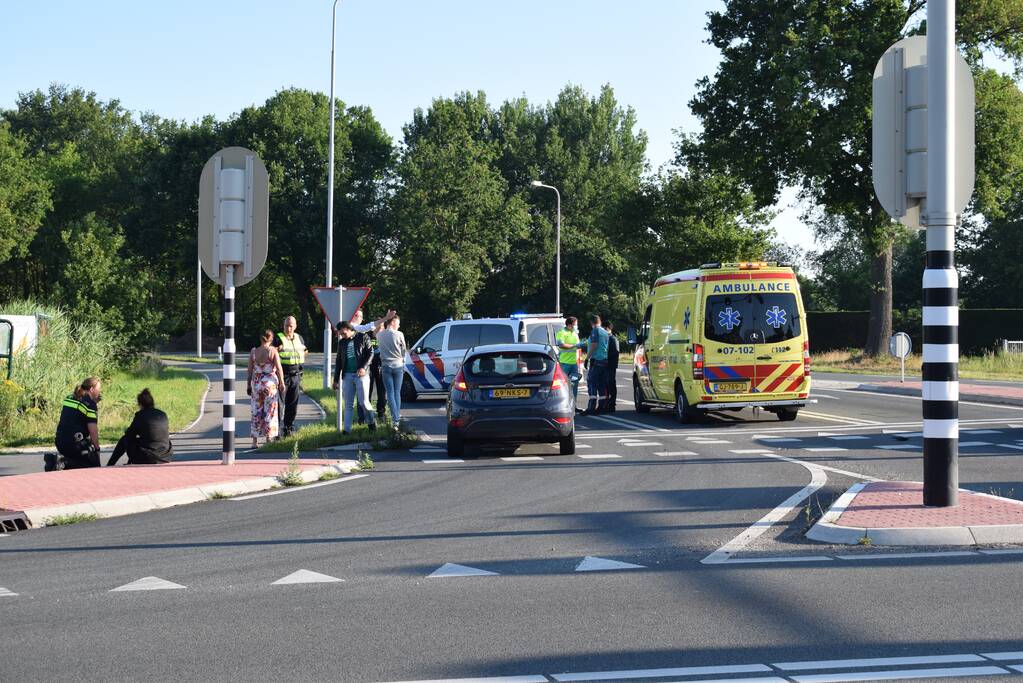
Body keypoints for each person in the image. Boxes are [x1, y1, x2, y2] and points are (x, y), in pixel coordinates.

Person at [47, 377, 103, 471]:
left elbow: (73, 417)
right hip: (74, 445)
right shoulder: (90, 406)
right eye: (98, 389)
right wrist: (97, 449)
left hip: (59, 441)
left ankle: (57, 462)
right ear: (92, 389)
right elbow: (93, 432)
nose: (99, 392)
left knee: (79, 459)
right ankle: (63, 462)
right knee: (93, 466)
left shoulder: (70, 397)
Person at [107, 388, 173, 465]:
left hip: (148, 457)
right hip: (165, 456)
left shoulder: (140, 415)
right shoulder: (162, 414)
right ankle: (129, 462)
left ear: (140, 404)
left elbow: (130, 435)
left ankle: (110, 464)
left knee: (124, 439)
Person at [333, 321, 376, 434]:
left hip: (361, 375)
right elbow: (338, 361)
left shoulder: (363, 337)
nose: (342, 335)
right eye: (341, 334)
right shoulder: (342, 343)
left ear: (349, 328)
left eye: (343, 333)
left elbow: (370, 353)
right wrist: (336, 379)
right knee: (348, 404)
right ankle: (347, 430)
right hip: (347, 375)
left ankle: (371, 423)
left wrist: (363, 367)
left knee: (363, 402)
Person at [247, 329, 285, 449]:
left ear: (260, 338)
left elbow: (249, 370)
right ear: (271, 339)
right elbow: (279, 368)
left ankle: (254, 441)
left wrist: (248, 385)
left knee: (256, 410)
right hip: (269, 384)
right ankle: (269, 438)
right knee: (270, 410)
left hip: (257, 383)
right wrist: (282, 383)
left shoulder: (254, 351)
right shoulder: (272, 351)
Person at [272, 315, 307, 437]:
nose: (289, 328)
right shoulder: (278, 338)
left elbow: (305, 350)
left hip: (296, 375)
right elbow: (272, 353)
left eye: (291, 326)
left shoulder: (299, 338)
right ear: (284, 326)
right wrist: (278, 349)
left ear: (295, 326)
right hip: (283, 375)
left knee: (293, 404)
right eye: (287, 325)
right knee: (279, 404)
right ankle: (276, 430)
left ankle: (288, 428)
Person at [376, 314, 408, 428]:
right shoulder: (399, 334)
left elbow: (379, 348)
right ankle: (396, 418)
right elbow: (404, 350)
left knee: (389, 392)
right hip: (398, 365)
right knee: (397, 392)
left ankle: (395, 419)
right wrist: (403, 360)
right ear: (393, 322)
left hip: (385, 366)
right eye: (398, 323)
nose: (399, 326)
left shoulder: (379, 335)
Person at [582, 314, 610, 415]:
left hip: (596, 360)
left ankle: (591, 408)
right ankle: (601, 407)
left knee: (592, 381)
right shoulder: (605, 332)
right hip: (604, 360)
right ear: (600, 321)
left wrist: (587, 358)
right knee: (601, 383)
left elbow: (594, 345)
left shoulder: (595, 330)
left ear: (591, 323)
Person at [555, 316, 583, 407]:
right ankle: (563, 406)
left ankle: (573, 406)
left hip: (574, 363)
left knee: (574, 385)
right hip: (564, 363)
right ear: (570, 325)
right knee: (563, 386)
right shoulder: (561, 333)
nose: (576, 326)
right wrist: (575, 345)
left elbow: (577, 346)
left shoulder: (574, 333)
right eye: (575, 324)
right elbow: (561, 344)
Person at [603, 319, 620, 413]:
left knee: (611, 384)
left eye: (604, 328)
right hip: (606, 364)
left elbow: (615, 353)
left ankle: (612, 404)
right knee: (606, 385)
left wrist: (605, 357)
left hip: (610, 365)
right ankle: (607, 403)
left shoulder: (613, 339)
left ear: (608, 328)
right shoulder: (606, 338)